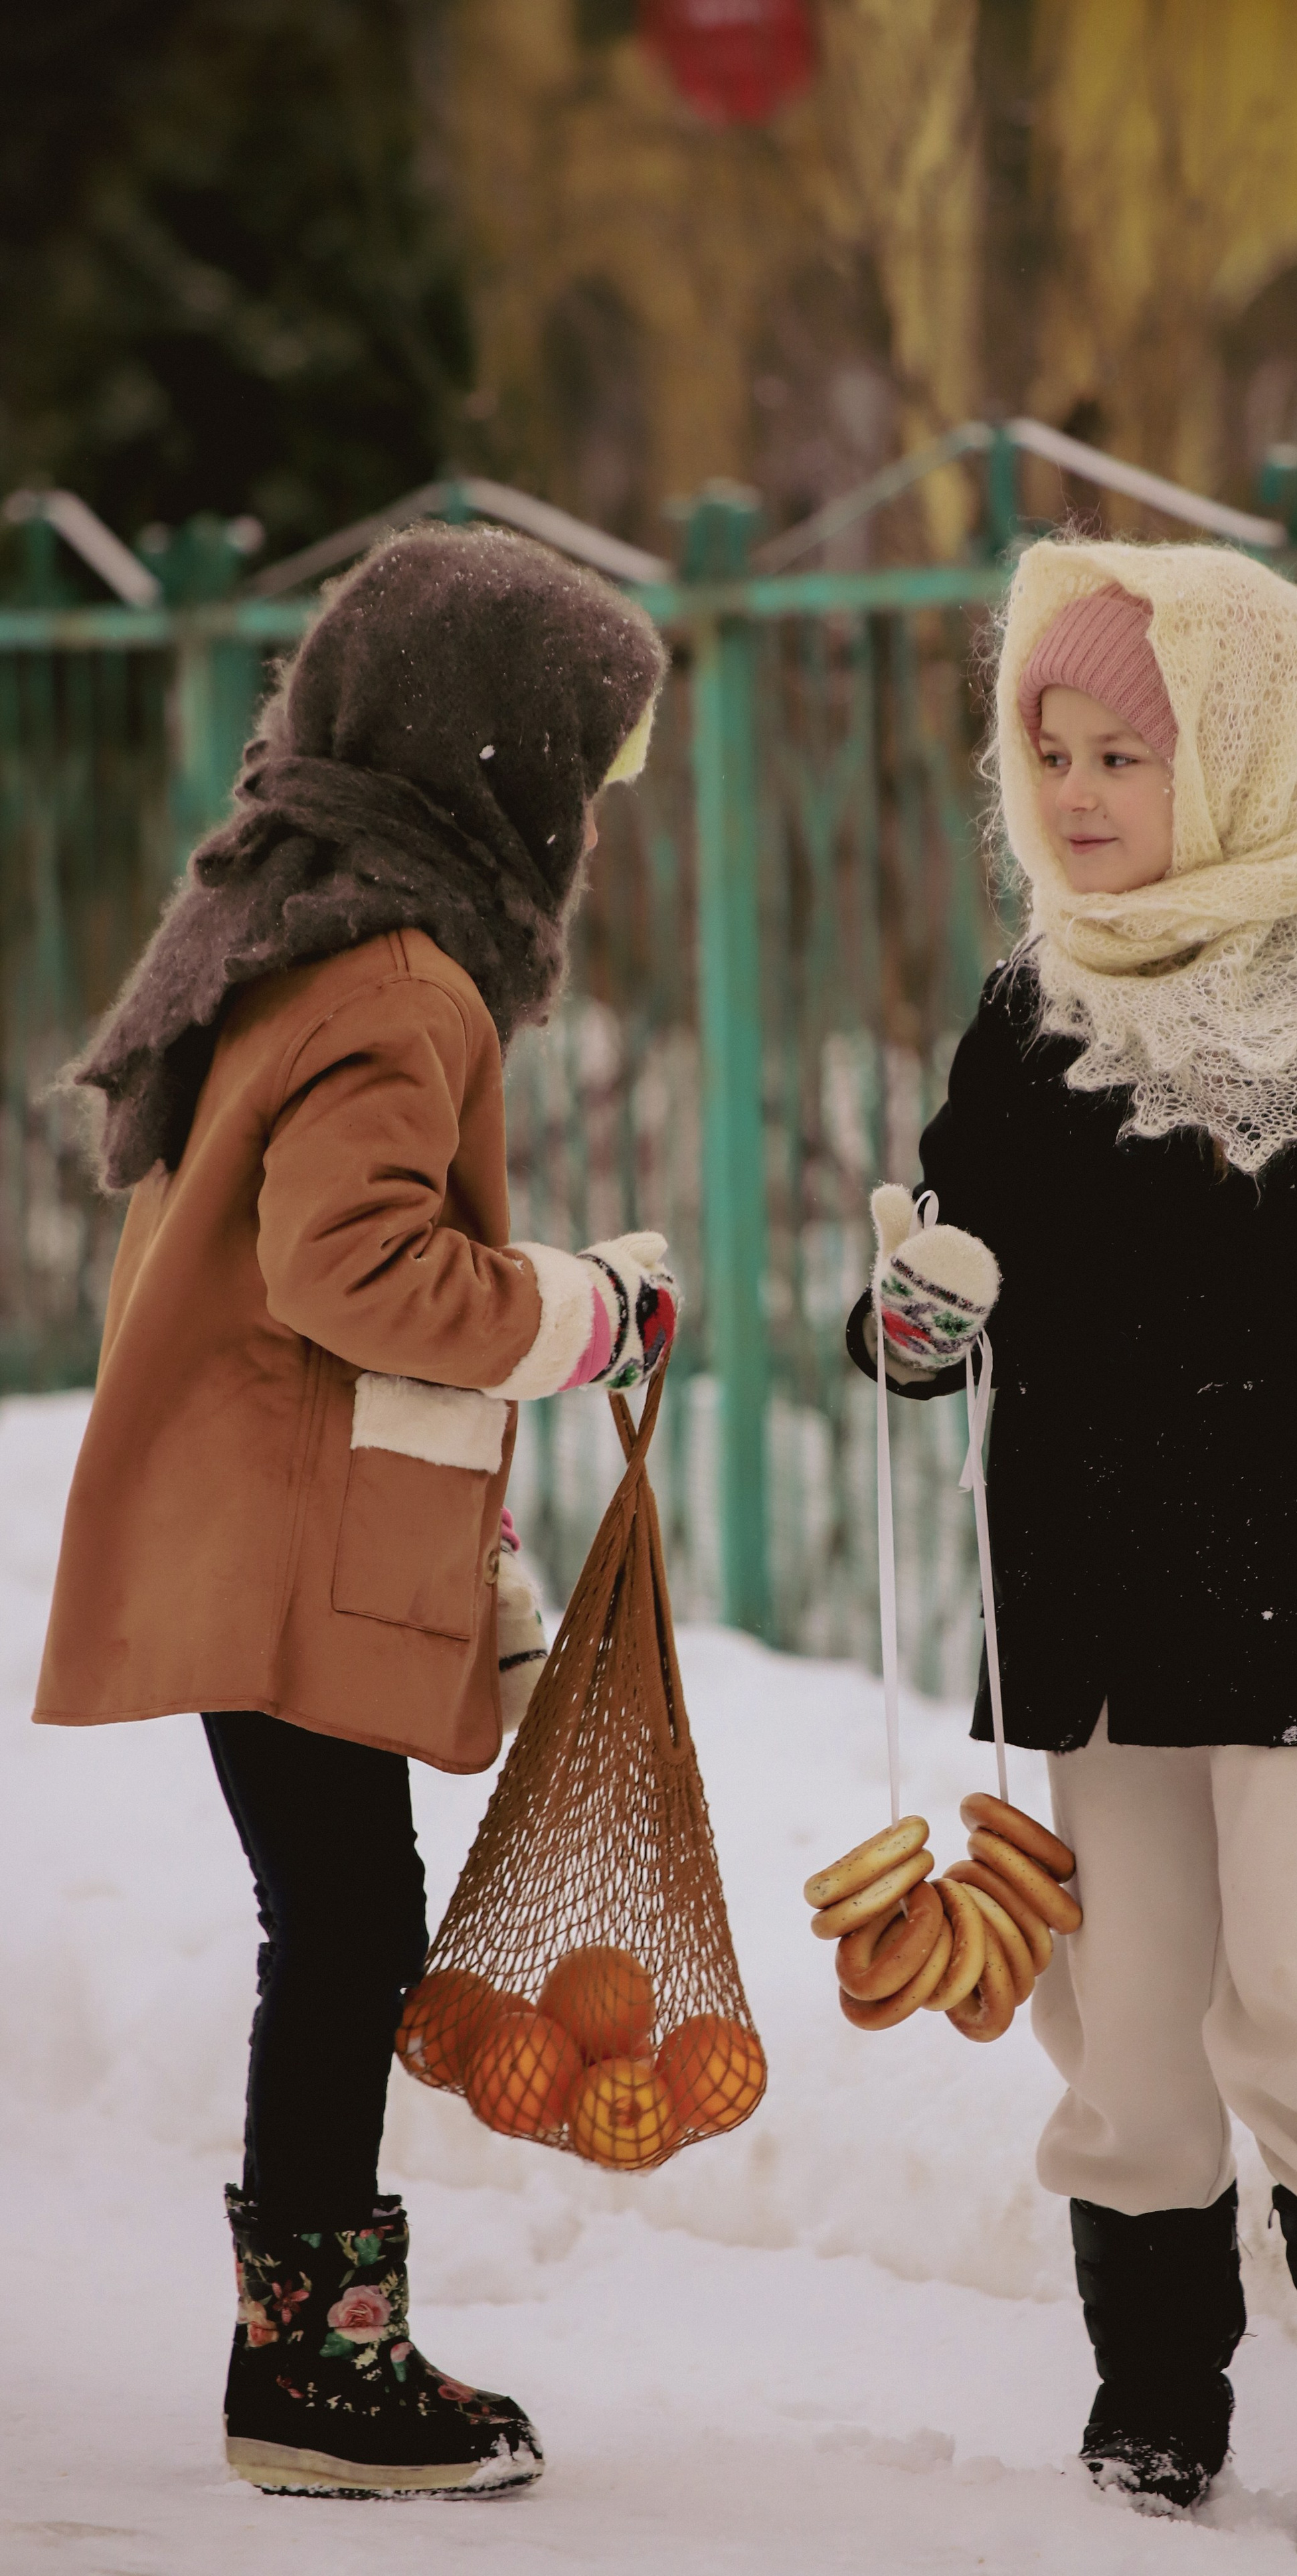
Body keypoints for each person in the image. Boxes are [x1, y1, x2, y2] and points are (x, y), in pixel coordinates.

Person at [849, 540, 1297, 2558]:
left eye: (1126, 757)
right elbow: (949, 1255)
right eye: (1048, 750)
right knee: (1128, 2032)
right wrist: (913, 1321)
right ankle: (1154, 2409)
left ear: (1247, 757)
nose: (1074, 796)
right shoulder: (1035, 1011)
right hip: (1099, 1619)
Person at [34, 523, 675, 2500]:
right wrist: (584, 1314)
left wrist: (456, 1539)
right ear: (500, 768)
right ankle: (313, 2369)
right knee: (342, 1927)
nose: (591, 817)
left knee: (333, 1917)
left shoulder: (292, 918)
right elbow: (350, 1269)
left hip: (262, 1520)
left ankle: (312, 2353)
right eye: (587, 770)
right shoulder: (402, 978)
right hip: (272, 1540)